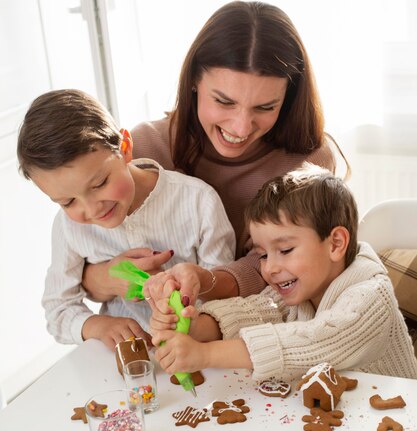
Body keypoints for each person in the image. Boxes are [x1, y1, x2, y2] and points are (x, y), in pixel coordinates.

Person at [83, 0, 349, 306]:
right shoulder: (143, 148)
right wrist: (104, 277)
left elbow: (275, 267)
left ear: (287, 98)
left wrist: (201, 281)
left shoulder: (307, 161)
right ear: (195, 80)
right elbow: (82, 257)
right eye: (224, 101)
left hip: (255, 322)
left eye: (265, 107)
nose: (241, 126)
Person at [150, 166, 417, 381]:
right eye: (263, 254)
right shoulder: (302, 288)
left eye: (285, 250)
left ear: (335, 243)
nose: (270, 267)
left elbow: (313, 342)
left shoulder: (371, 298)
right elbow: (254, 311)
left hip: (395, 425)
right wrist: (193, 328)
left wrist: (204, 354)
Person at [16, 89, 235, 350]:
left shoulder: (198, 201)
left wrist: (185, 312)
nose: (92, 209)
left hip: (198, 351)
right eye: (68, 202)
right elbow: (58, 308)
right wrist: (98, 326)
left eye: (99, 183)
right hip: (121, 367)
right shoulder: (68, 226)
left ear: (125, 148)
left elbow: (225, 296)